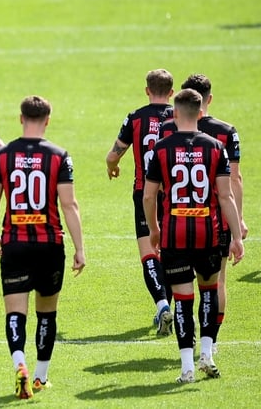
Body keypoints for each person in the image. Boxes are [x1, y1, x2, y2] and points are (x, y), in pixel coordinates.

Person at [0, 96, 85, 399]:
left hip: (14, 244)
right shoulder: (59, 156)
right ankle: (40, 376)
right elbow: (69, 205)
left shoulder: (2, 156)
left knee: (15, 312)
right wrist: (80, 248)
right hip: (49, 245)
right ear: (48, 120)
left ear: (20, 119)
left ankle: (20, 364)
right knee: (46, 313)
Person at [144, 88, 244, 383]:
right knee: (210, 291)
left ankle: (187, 368)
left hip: (174, 233)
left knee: (183, 299)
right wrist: (237, 236)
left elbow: (149, 197)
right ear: (201, 113)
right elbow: (225, 196)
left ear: (174, 115)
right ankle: (208, 354)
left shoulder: (161, 149)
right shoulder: (216, 147)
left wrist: (154, 230)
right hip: (208, 233)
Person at [105, 68, 174, 335]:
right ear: (171, 92)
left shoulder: (135, 117)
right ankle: (174, 308)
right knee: (170, 250)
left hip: (144, 192)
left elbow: (114, 155)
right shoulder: (178, 116)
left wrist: (112, 168)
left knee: (148, 252)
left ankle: (161, 305)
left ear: (147, 90)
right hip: (174, 193)